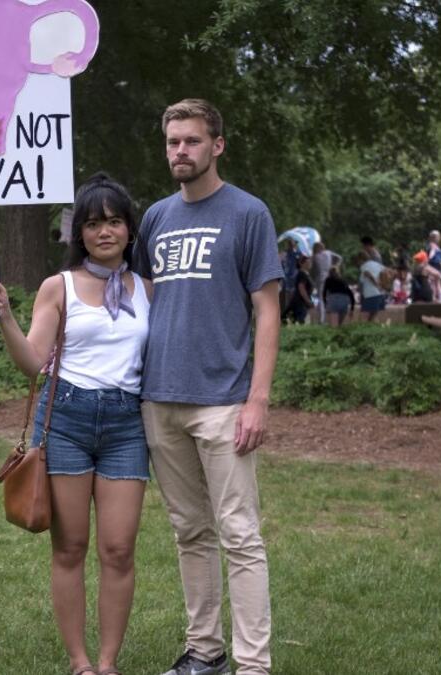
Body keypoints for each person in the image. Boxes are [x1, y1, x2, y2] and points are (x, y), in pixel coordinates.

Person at [0, 173, 151, 675]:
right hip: (68, 419)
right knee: (71, 545)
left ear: (128, 229)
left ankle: (108, 661)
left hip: (126, 425)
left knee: (118, 549)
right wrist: (6, 315)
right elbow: (35, 362)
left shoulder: (147, 290)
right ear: (79, 232)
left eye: (114, 221)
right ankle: (80, 662)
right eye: (94, 223)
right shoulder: (60, 287)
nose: (105, 232)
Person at [133, 99, 279, 675]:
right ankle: (204, 652)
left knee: (240, 536)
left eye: (192, 141)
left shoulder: (248, 214)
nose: (180, 152)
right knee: (189, 531)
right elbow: (144, 305)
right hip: (160, 398)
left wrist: (258, 399)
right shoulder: (155, 218)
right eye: (172, 142)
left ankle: (252, 665)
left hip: (224, 402)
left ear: (217, 145)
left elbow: (267, 311)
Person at [357, 249, 386, 322]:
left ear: (361, 259)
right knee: (373, 316)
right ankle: (376, 331)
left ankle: (368, 331)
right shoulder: (378, 264)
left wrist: (376, 283)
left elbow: (368, 274)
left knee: (365, 316)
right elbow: (387, 272)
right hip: (380, 294)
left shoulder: (364, 266)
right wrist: (382, 285)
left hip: (370, 294)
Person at [285, 254, 313, 324]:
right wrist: (308, 300)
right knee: (299, 320)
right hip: (300, 302)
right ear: (302, 264)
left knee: (293, 320)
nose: (310, 264)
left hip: (300, 301)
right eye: (308, 262)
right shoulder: (302, 274)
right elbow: (301, 288)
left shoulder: (305, 274)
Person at [426, 230, 441, 300]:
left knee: (436, 282)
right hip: (433, 265)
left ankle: (437, 298)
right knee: (434, 282)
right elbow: (431, 255)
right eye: (438, 237)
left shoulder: (434, 246)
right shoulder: (432, 245)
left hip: (437, 265)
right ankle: (434, 298)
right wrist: (427, 261)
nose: (439, 238)